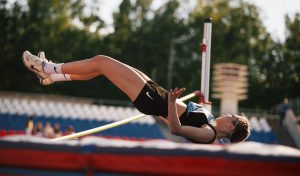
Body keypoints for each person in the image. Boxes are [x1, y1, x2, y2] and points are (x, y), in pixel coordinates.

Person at [22, 50, 250, 144]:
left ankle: (47, 67)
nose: (229, 114)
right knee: (99, 69)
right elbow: (170, 118)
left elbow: (176, 129)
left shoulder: (209, 133)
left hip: (154, 99)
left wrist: (169, 104)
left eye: (233, 117)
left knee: (102, 61)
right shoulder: (209, 120)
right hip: (156, 95)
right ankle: (51, 78)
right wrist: (166, 106)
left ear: (230, 127)